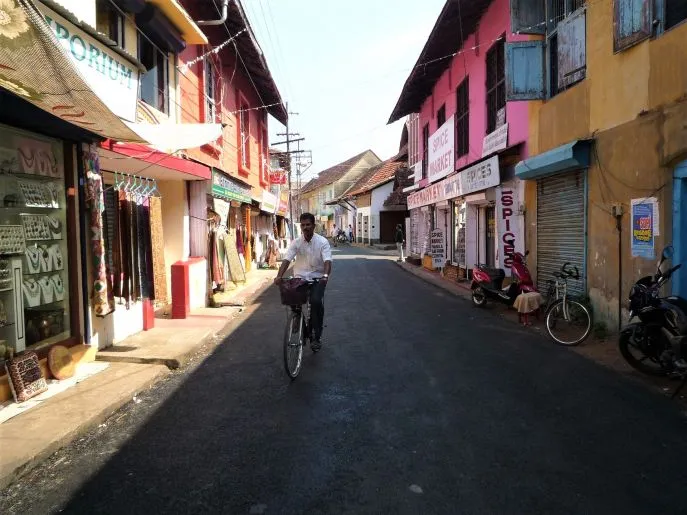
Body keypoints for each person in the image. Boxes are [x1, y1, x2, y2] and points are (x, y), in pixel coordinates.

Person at [274, 213, 332, 350]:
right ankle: (297, 316)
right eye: (303, 225)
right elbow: (287, 259)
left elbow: (327, 261)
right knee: (290, 295)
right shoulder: (296, 243)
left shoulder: (322, 242)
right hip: (300, 278)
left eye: (308, 224)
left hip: (317, 278)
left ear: (313, 226)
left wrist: (325, 276)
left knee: (316, 302)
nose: (305, 227)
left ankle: (316, 337)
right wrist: (279, 276)